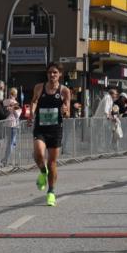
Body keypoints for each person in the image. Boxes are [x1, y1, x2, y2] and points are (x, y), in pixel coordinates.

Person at [31, 62, 71, 207]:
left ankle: (51, 192)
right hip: (41, 127)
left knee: (52, 162)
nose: (52, 75)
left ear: (60, 74)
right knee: (38, 154)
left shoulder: (64, 90)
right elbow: (34, 101)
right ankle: (43, 171)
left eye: (55, 72)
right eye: (49, 72)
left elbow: (68, 113)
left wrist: (65, 112)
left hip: (55, 129)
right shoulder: (39, 87)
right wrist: (31, 113)